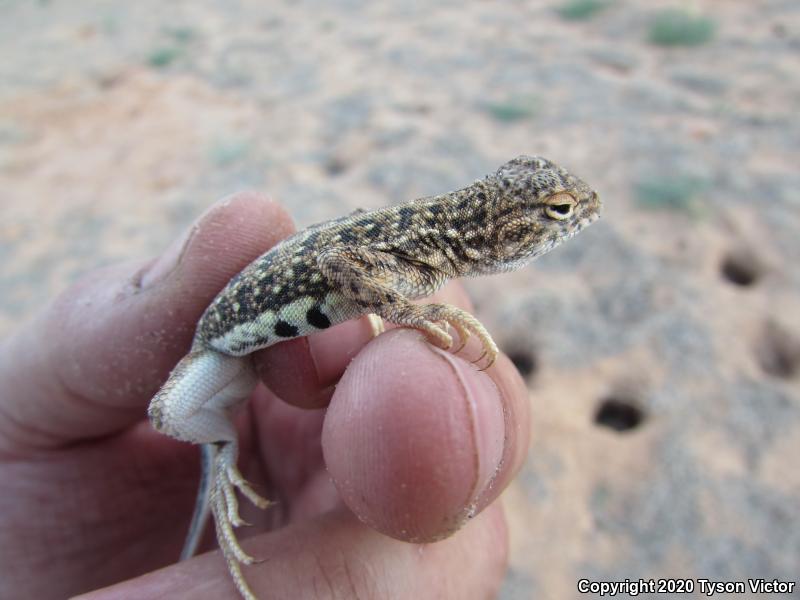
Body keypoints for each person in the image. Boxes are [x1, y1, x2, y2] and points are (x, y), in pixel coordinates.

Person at [0, 192, 530, 599]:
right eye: (558, 212)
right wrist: (414, 314)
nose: (569, 220)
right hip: (222, 346)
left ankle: (228, 456)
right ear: (500, 230)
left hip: (258, 364)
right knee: (168, 409)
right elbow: (341, 268)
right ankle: (223, 448)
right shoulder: (421, 245)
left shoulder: (427, 244)